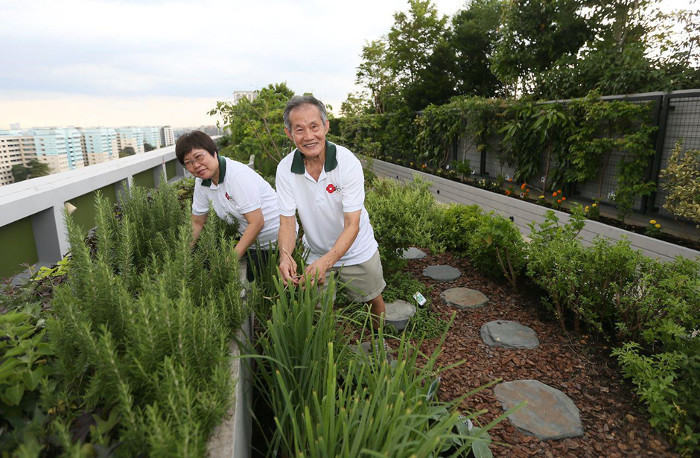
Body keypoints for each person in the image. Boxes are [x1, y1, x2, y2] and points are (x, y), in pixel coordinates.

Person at [275, 95, 386, 327]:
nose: (308, 136)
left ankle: (379, 342)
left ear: (326, 126)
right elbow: (287, 222)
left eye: (314, 126)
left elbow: (352, 223)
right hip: (316, 251)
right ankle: (329, 352)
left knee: (372, 299)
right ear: (289, 134)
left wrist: (327, 263)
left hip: (357, 249)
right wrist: (285, 256)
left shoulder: (347, 163)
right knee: (319, 309)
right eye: (299, 130)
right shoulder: (285, 169)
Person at [176, 130, 280, 281]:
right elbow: (197, 221)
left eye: (199, 157)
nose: (196, 165)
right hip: (249, 238)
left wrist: (229, 261)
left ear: (213, 152)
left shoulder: (236, 176)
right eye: (188, 163)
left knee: (261, 289)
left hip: (274, 240)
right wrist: (183, 254)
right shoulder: (202, 181)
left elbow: (257, 222)